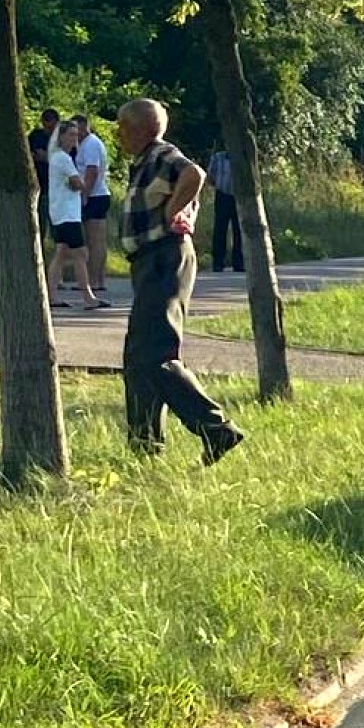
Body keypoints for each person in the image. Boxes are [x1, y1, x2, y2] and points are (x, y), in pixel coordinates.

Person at [115, 97, 245, 465]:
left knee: (156, 354)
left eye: (123, 127)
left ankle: (217, 429)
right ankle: (144, 447)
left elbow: (195, 174)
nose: (118, 134)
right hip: (150, 261)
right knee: (138, 358)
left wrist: (175, 210)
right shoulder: (142, 162)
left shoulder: (161, 153)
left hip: (165, 257)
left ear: (142, 129)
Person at [46, 120, 105, 310]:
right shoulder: (62, 158)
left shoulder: (57, 157)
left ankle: (51, 294)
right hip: (67, 213)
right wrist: (80, 184)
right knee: (81, 253)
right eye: (70, 134)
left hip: (61, 211)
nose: (75, 138)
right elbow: (78, 183)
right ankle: (88, 296)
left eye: (76, 134)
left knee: (62, 252)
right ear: (61, 136)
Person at [71, 114, 114, 296]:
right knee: (95, 240)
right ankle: (97, 278)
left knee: (94, 240)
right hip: (96, 194)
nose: (75, 134)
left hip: (95, 195)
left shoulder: (90, 144)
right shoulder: (85, 144)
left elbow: (92, 170)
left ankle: (95, 280)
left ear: (84, 127)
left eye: (77, 129)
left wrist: (85, 194)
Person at [206, 145, 244, 272]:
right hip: (222, 195)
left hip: (239, 196)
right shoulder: (218, 158)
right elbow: (210, 177)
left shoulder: (242, 158)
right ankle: (218, 262)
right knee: (220, 229)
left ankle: (238, 262)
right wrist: (218, 186)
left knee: (238, 230)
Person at [28, 107, 60, 234]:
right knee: (39, 223)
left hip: (55, 186)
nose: (48, 131)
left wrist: (46, 157)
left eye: (51, 128)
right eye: (46, 127)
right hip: (39, 183)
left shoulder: (63, 138)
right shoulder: (36, 136)